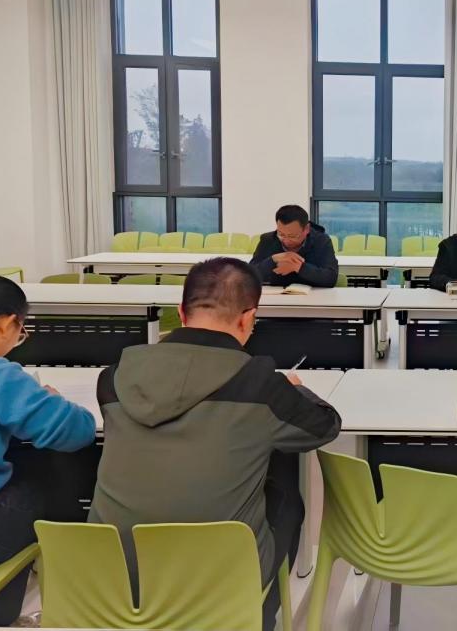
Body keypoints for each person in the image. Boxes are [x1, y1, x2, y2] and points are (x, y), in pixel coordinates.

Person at [89, 258, 341, 631]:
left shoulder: (113, 378)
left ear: (181, 313)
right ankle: (258, 616)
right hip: (217, 571)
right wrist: (296, 390)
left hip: (110, 569)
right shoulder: (260, 383)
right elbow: (324, 426)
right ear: (248, 318)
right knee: (287, 491)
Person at [0, 272, 96, 626]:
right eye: (21, 331)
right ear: (7, 324)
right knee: (43, 479)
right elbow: (77, 432)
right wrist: (52, 401)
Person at [250, 204, 338, 288]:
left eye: (292, 236)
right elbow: (249, 275)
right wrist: (273, 259)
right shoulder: (268, 240)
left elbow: (331, 278)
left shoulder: (321, 241)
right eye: (281, 234)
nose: (286, 240)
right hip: (276, 295)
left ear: (306, 229)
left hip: (313, 295)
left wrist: (299, 267)